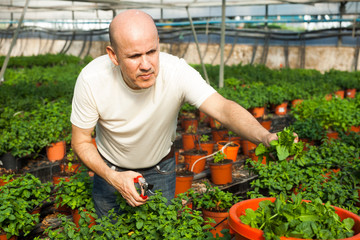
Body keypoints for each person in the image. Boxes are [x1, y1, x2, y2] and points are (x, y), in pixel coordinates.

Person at [70, 9, 280, 219]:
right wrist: (113, 177)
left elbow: (223, 108)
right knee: (110, 231)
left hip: (161, 168)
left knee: (161, 229)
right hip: (110, 171)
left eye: (151, 52)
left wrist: (265, 136)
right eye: (134, 56)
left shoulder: (176, 71)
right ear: (113, 55)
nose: (146, 65)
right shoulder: (92, 80)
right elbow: (80, 141)